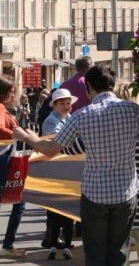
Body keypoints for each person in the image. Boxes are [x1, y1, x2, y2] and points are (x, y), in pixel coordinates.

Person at [14, 66, 139, 266]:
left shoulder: (81, 115)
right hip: (125, 193)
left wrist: (27, 137)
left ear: (89, 87)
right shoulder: (132, 110)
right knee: (118, 252)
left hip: (94, 194)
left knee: (95, 252)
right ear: (113, 84)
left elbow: (51, 149)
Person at [41, 89, 78, 260]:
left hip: (68, 169)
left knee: (68, 209)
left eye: (67, 102)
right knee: (55, 210)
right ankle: (53, 244)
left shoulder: (70, 118)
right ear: (54, 105)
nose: (65, 106)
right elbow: (57, 139)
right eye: (62, 103)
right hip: (55, 170)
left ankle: (67, 243)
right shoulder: (51, 121)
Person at [0, 78, 26, 258]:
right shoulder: (0, 109)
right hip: (4, 163)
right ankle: (8, 245)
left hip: (7, 161)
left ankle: (8, 244)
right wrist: (20, 135)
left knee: (20, 201)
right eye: (12, 91)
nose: (14, 95)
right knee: (19, 201)